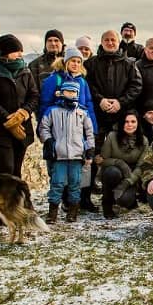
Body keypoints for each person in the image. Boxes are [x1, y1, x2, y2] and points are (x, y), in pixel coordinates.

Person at [38, 46, 99, 211]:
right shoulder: (54, 79)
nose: (76, 64)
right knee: (58, 167)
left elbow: (88, 105)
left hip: (78, 128)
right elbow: (44, 104)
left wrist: (92, 129)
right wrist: (43, 131)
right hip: (58, 129)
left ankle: (77, 200)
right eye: (73, 61)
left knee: (78, 167)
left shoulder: (82, 81)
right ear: (65, 62)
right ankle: (60, 200)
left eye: (79, 61)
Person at [0, 34, 39, 177]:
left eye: (20, 51)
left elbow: (34, 95)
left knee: (16, 170)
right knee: (6, 167)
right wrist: (7, 118)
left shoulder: (25, 71)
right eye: (16, 51)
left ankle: (16, 192)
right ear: (6, 52)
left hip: (22, 127)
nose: (20, 55)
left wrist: (23, 112)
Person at [39, 82, 95, 224]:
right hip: (59, 155)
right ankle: (52, 212)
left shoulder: (83, 112)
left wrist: (89, 149)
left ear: (77, 94)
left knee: (75, 183)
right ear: (62, 93)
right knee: (57, 183)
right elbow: (43, 127)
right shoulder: (53, 111)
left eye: (73, 92)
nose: (70, 94)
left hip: (77, 155)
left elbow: (89, 133)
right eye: (67, 91)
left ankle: (73, 212)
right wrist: (49, 141)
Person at [88, 30, 143, 148]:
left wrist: (120, 102)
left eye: (113, 40)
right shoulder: (91, 63)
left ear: (119, 42)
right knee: (95, 149)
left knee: (119, 149)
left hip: (121, 115)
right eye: (106, 40)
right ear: (101, 42)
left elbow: (136, 86)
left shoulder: (129, 64)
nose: (110, 43)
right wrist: (100, 100)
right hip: (97, 115)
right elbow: (88, 84)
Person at [97, 110, 149, 219]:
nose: (130, 125)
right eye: (126, 122)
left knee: (125, 200)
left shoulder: (144, 140)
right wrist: (119, 163)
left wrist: (127, 182)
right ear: (121, 123)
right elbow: (103, 160)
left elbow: (141, 166)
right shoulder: (112, 136)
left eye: (133, 122)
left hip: (131, 175)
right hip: (114, 171)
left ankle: (130, 200)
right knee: (112, 172)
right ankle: (107, 203)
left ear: (138, 123)